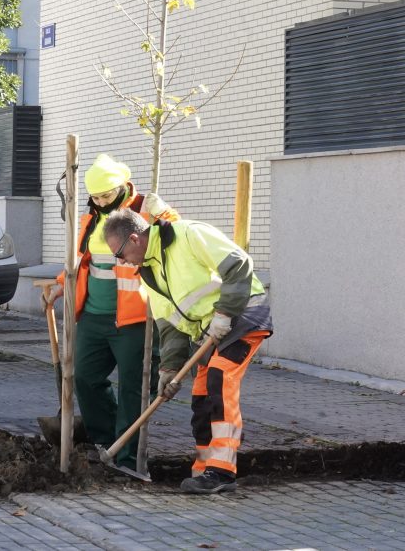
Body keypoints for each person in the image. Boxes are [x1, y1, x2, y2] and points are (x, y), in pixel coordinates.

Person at [102, 207, 273, 494]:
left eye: (119, 254)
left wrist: (225, 312)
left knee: (220, 379)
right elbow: (170, 326)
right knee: (201, 396)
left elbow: (239, 264)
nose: (123, 262)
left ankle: (222, 471)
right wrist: (168, 371)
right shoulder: (150, 274)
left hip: (243, 316)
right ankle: (205, 467)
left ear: (134, 239)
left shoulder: (189, 234)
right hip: (210, 332)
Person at [45, 154, 176, 473]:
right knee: (84, 377)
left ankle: (128, 456)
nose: (102, 201)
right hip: (93, 316)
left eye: (107, 195)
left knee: (133, 388)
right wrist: (62, 284)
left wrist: (164, 213)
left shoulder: (146, 209)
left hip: (136, 319)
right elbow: (80, 259)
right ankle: (105, 441)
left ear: (122, 187)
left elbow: (176, 236)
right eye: (96, 196)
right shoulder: (90, 218)